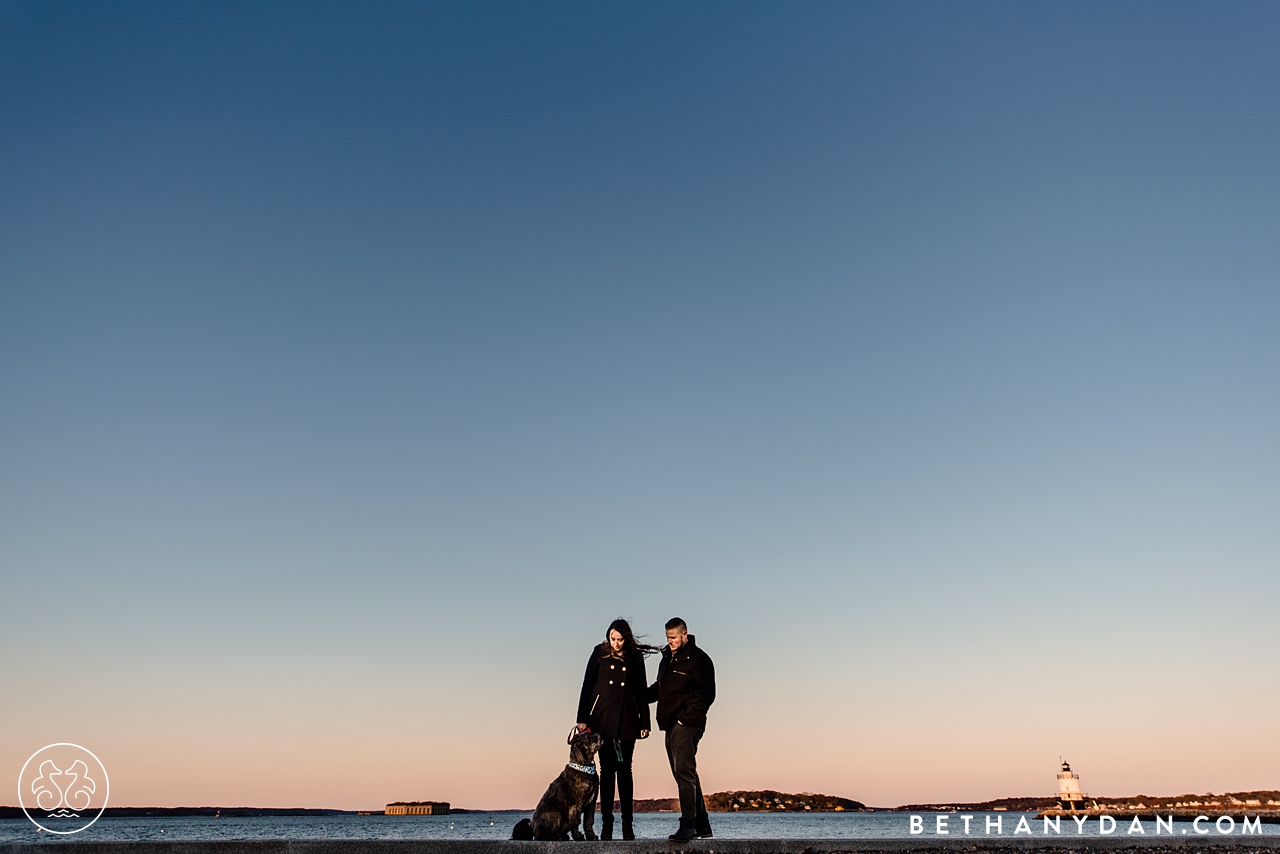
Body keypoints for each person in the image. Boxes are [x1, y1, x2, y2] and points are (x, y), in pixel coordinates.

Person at [576, 619, 660, 840]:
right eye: (613, 639)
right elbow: (587, 684)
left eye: (620, 639)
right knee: (606, 771)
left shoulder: (635, 657)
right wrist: (582, 718)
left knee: (625, 771)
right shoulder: (599, 652)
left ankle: (627, 825)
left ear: (626, 638)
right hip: (601, 719)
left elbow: (641, 690)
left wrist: (644, 722)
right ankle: (606, 825)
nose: (616, 643)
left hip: (628, 720)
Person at [648, 617, 716, 841]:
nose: (670, 642)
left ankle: (688, 825)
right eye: (668, 638)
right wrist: (640, 696)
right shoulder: (667, 658)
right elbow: (661, 688)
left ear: (685, 634)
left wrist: (685, 720)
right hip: (670, 725)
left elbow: (706, 694)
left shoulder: (699, 660)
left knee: (684, 773)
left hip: (687, 724)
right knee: (686, 773)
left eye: (674, 638)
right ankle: (702, 825)